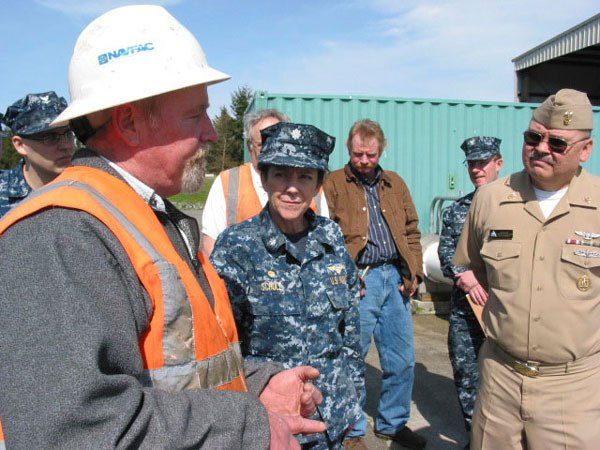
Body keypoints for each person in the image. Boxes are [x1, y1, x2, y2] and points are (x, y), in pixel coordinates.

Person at [0, 5, 326, 449]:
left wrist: (257, 386)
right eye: (196, 115)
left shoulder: (147, 216)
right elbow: (73, 430)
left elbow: (179, 368)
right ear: (130, 121)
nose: (211, 133)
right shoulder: (60, 234)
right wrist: (248, 427)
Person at [454, 89, 599, 449]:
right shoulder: (490, 199)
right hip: (499, 381)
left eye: (557, 143)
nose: (541, 148)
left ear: (585, 150)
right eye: (533, 137)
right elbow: (476, 268)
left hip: (574, 391)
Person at [210, 122, 365, 449]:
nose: (293, 188)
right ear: (264, 178)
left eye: (305, 177)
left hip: (332, 419)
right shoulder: (238, 247)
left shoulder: (331, 237)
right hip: (273, 425)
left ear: (319, 185)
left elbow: (348, 324)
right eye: (281, 174)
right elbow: (221, 346)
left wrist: (353, 399)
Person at [323, 119, 426, 450]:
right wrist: (345, 277)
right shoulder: (333, 184)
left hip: (394, 279)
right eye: (358, 154)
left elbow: (411, 231)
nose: (364, 161)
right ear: (349, 150)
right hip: (360, 281)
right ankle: (351, 430)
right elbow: (323, 235)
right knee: (351, 358)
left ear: (382, 150)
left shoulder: (395, 183)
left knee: (401, 358)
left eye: (370, 154)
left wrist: (415, 273)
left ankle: (392, 424)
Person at [437, 136, 503, 446]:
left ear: (498, 164)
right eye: (472, 164)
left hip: (505, 310)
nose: (477, 169)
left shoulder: (515, 204)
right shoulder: (457, 210)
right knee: (466, 375)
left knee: (504, 379)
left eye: (483, 162)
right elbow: (447, 253)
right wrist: (467, 278)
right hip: (467, 309)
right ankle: (475, 438)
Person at [201, 109, 329, 256]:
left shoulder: (313, 186)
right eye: (264, 143)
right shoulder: (227, 182)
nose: (273, 149)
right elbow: (210, 245)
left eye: (279, 143)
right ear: (250, 146)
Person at [0, 91, 75, 217]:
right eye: (51, 137)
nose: (66, 146)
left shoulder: (89, 186)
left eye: (68, 134)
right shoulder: (4, 194)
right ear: (20, 145)